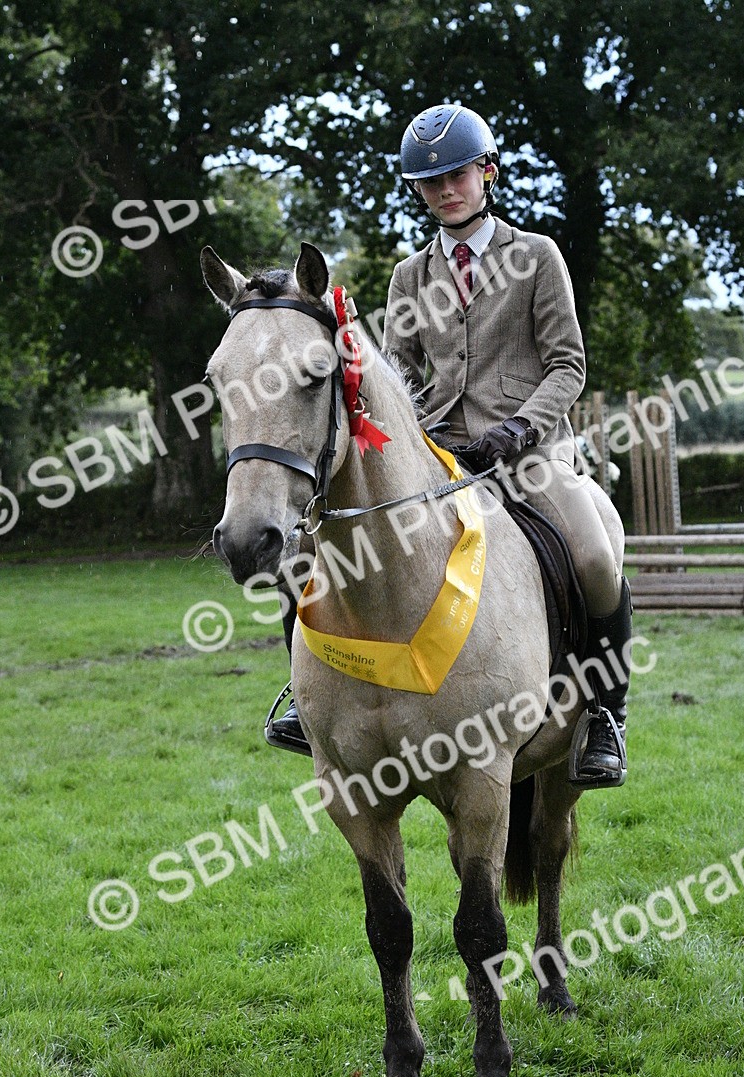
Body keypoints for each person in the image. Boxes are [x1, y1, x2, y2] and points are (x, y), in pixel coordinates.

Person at [270, 102, 631, 786]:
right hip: (438, 455)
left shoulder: (536, 256)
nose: (444, 189)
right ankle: (303, 698)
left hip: (529, 454)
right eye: (430, 181)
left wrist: (521, 427)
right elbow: (397, 377)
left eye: (456, 175)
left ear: (486, 173)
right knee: (307, 556)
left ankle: (606, 714)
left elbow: (568, 365)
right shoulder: (409, 276)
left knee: (592, 554)